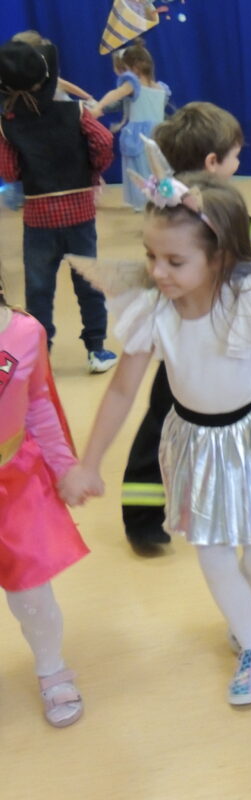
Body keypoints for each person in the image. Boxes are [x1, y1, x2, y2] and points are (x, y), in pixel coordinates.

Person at [63, 168, 251, 707]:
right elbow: (121, 391)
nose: (157, 271)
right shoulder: (152, 309)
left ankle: (242, 605)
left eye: (174, 261)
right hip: (196, 444)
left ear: (219, 258)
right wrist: (89, 463)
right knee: (212, 550)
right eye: (150, 256)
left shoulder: (247, 296)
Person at [117, 102, 251, 549]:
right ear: (213, 163)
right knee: (181, 416)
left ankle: (142, 516)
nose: (238, 164)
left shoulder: (164, 207)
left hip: (193, 341)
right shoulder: (218, 214)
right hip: (194, 337)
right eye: (235, 157)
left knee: (162, 419)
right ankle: (170, 507)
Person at [0, 269, 89, 728]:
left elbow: (38, 403)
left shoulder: (24, 331)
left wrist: (64, 466)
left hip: (14, 481)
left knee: (31, 593)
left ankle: (51, 667)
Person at [0, 39, 117, 373]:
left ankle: (39, 354)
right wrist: (92, 169)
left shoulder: (8, 124)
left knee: (39, 289)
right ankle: (96, 349)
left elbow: (9, 171)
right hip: (80, 213)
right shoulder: (75, 112)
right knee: (88, 281)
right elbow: (103, 141)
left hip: (38, 220)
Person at [92, 40, 170, 212]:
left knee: (140, 169)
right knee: (157, 168)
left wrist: (98, 106)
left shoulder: (132, 85)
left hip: (140, 135)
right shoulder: (161, 88)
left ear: (133, 68)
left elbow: (115, 94)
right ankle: (162, 199)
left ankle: (146, 201)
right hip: (158, 133)